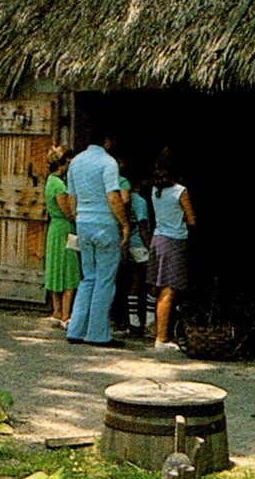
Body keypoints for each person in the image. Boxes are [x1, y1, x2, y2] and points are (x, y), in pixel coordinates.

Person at [64, 124, 129, 347]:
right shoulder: (108, 162)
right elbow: (112, 196)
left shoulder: (76, 162)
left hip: (83, 222)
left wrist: (77, 218)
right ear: (108, 141)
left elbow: (71, 196)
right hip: (105, 223)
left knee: (88, 277)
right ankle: (98, 334)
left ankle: (75, 329)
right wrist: (124, 224)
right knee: (105, 279)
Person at [148, 150, 195, 352]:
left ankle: (152, 325)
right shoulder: (180, 191)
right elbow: (191, 219)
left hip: (157, 239)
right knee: (169, 290)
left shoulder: (154, 190)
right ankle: (162, 337)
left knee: (156, 286)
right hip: (174, 241)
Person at [42, 145, 80, 327]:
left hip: (54, 228)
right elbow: (67, 212)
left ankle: (56, 311)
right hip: (64, 228)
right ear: (63, 164)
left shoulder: (50, 181)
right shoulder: (59, 185)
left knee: (55, 267)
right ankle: (66, 314)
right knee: (69, 269)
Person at [111, 170, 151, 336]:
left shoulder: (121, 201)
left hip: (127, 244)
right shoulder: (140, 201)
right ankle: (150, 320)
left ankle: (133, 320)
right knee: (152, 282)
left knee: (133, 282)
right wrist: (150, 247)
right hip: (139, 245)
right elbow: (142, 226)